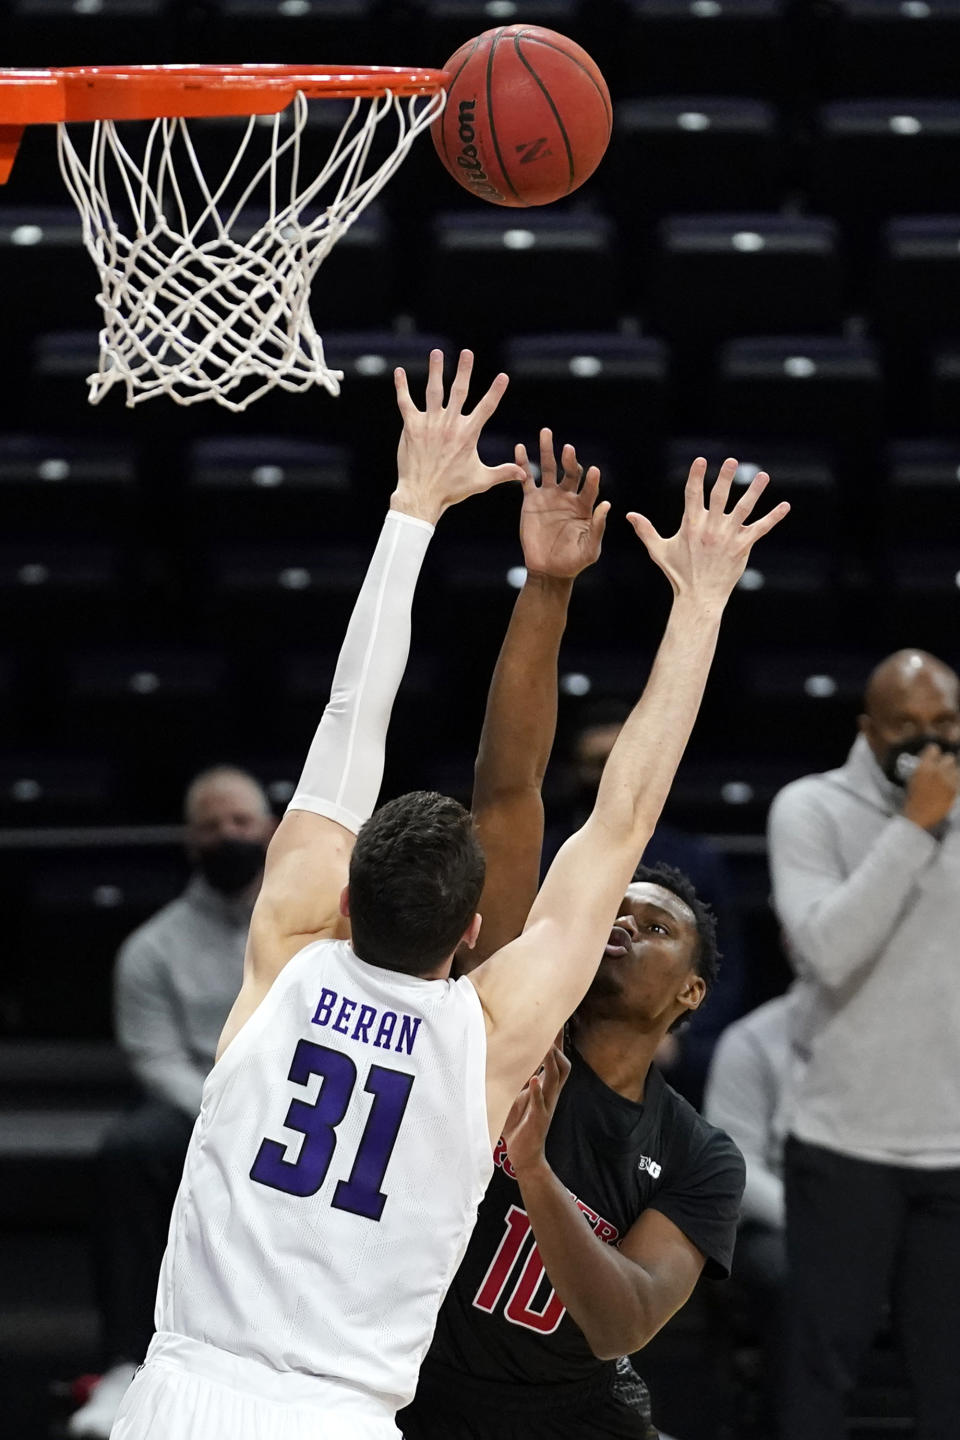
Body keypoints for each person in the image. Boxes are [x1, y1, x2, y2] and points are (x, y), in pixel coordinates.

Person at [110, 349, 787, 1440]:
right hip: (338, 1415)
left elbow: (348, 720)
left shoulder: (282, 947)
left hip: (181, 1391)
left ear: (342, 894)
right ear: (474, 932)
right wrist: (698, 605)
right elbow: (622, 818)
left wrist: (414, 503)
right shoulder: (488, 1033)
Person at [399, 431, 756, 1440]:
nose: (620, 925)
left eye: (653, 927)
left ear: (693, 992)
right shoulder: (518, 1015)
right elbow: (508, 792)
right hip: (414, 1391)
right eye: (614, 910)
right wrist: (547, 589)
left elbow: (622, 1319)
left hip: (576, 1409)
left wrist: (537, 1174)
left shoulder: (698, 1156)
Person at [767, 649, 960, 1440]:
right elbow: (825, 950)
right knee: (818, 1377)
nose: (927, 740)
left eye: (944, 723)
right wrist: (915, 827)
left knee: (950, 1391)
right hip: (842, 1144)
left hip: (952, 1151)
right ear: (866, 729)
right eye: (905, 725)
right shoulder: (809, 809)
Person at [68, 766, 275, 1439]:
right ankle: (125, 1362)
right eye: (212, 826)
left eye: (241, 823)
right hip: (199, 1106)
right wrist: (227, 1119)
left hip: (291, 1098)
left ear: (269, 831)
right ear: (190, 841)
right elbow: (155, 1059)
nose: (228, 836)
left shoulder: (310, 928)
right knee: (128, 1151)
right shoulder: (150, 948)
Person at [545, 703, 746, 1112]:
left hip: (666, 1054)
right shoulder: (541, 856)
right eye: (595, 763)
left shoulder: (697, 860)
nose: (607, 776)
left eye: (618, 760)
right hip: (551, 1046)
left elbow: (726, 973)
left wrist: (673, 1039)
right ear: (573, 772)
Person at [703, 985, 803, 1435]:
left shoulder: (910, 1040)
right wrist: (817, 1224)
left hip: (895, 1211)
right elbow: (735, 1164)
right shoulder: (753, 1039)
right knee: (789, 1274)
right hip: (781, 1221)